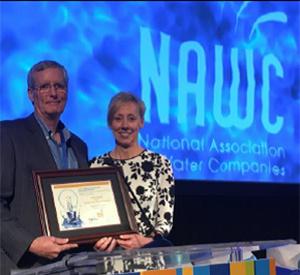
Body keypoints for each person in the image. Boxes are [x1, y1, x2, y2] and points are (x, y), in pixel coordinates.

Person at [0, 60, 89, 274]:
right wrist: (29, 243)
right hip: (27, 265)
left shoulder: (78, 146)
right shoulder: (9, 134)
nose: (53, 93)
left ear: (66, 92)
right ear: (31, 94)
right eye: (45, 87)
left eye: (59, 86)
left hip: (75, 264)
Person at [90, 91, 175, 252]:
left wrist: (145, 241)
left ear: (141, 122)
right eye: (118, 118)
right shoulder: (96, 165)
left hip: (148, 257)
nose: (125, 125)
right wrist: (96, 240)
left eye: (131, 118)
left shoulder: (160, 164)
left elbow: (165, 220)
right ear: (109, 123)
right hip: (108, 259)